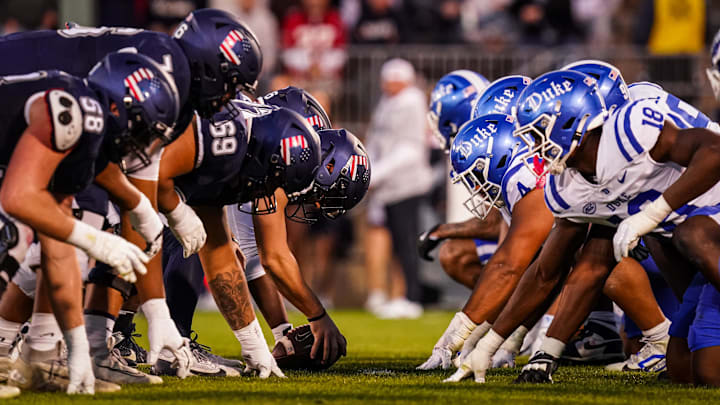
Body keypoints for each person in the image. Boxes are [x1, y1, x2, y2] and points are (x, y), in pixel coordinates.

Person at [0, 8, 265, 385]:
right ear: (210, 68)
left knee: (78, 220)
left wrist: (150, 209)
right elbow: (22, 198)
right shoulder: (158, 74)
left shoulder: (164, 88)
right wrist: (156, 309)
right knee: (34, 230)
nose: (228, 101)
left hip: (51, 117)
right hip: (22, 89)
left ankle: (44, 351)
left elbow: (138, 193)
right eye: (231, 85)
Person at [448, 65, 720, 386]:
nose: (533, 148)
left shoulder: (630, 130)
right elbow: (554, 272)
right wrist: (498, 344)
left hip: (706, 231)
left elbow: (714, 151)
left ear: (569, 121)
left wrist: (655, 212)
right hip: (694, 256)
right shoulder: (570, 186)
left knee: (688, 233)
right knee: (688, 371)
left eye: (537, 134)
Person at [0, 51, 180, 394]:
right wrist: (96, 241)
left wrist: (78, 347)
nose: (142, 145)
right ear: (117, 108)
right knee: (12, 232)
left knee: (44, 231)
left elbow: (59, 248)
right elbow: (17, 198)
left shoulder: (87, 137)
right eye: (141, 129)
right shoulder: (78, 109)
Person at [364, 58, 432, 318]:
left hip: (406, 184)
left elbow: (410, 148)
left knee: (406, 241)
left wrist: (375, 174)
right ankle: (399, 295)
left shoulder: (411, 102)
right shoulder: (387, 102)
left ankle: (412, 296)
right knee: (397, 241)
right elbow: (377, 140)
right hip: (389, 185)